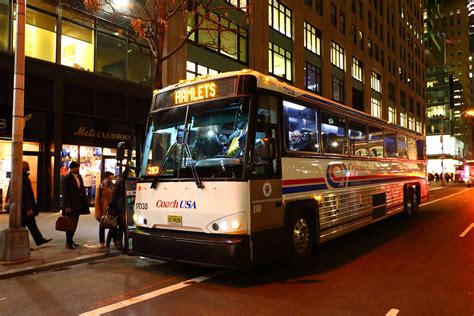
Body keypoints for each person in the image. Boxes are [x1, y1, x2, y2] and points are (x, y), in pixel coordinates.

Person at [6, 161, 52, 247]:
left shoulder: (22, 176)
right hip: (24, 207)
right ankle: (22, 244)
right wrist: (28, 208)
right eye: (28, 165)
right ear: (24, 167)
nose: (29, 167)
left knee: (31, 224)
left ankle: (38, 240)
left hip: (24, 206)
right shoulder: (22, 177)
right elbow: (24, 194)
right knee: (24, 225)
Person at [61, 161, 90, 249]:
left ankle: (71, 240)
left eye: (78, 167)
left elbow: (81, 188)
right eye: (76, 167)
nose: (78, 169)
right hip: (70, 204)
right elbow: (65, 193)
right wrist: (67, 206)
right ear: (72, 168)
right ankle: (68, 242)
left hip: (78, 203)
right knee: (69, 223)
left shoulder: (79, 177)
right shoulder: (66, 178)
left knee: (74, 223)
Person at [105, 168, 128, 254]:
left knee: (118, 227)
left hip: (119, 207)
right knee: (114, 227)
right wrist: (111, 208)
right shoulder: (122, 182)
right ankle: (109, 246)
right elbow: (114, 197)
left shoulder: (121, 181)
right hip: (118, 208)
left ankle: (118, 244)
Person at [94, 171, 115, 248]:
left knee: (113, 225)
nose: (111, 180)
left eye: (112, 178)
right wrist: (98, 212)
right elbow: (97, 200)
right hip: (103, 209)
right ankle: (102, 242)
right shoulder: (101, 187)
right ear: (105, 178)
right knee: (102, 226)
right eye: (109, 178)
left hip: (112, 209)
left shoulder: (113, 186)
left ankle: (114, 241)